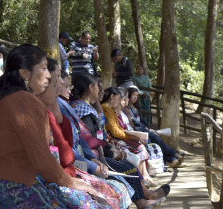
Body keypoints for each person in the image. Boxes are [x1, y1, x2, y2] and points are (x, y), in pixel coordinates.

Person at [0, 44, 107, 208]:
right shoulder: (23, 101)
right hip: (18, 187)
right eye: (44, 68)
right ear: (25, 73)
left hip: (5, 187)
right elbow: (40, 156)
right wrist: (70, 182)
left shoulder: (7, 98)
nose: (49, 76)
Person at [68, 73, 169, 208]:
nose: (101, 93)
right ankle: (142, 201)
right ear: (91, 87)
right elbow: (91, 140)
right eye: (99, 88)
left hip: (99, 151)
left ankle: (146, 195)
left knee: (129, 162)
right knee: (128, 168)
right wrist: (111, 152)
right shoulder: (82, 109)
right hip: (94, 156)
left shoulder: (86, 107)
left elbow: (99, 135)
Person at [39, 58, 129, 208]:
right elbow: (70, 150)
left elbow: (79, 140)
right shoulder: (68, 107)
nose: (63, 85)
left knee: (119, 182)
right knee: (112, 187)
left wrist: (95, 160)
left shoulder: (61, 106)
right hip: (67, 170)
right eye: (58, 80)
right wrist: (95, 163)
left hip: (77, 164)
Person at [126, 87, 186, 168]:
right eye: (133, 95)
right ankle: (174, 155)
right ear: (128, 95)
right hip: (136, 129)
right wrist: (146, 128)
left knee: (156, 140)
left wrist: (148, 126)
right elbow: (134, 121)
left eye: (136, 95)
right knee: (154, 138)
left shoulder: (136, 106)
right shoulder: (127, 108)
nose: (135, 97)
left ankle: (172, 160)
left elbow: (141, 119)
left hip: (142, 128)